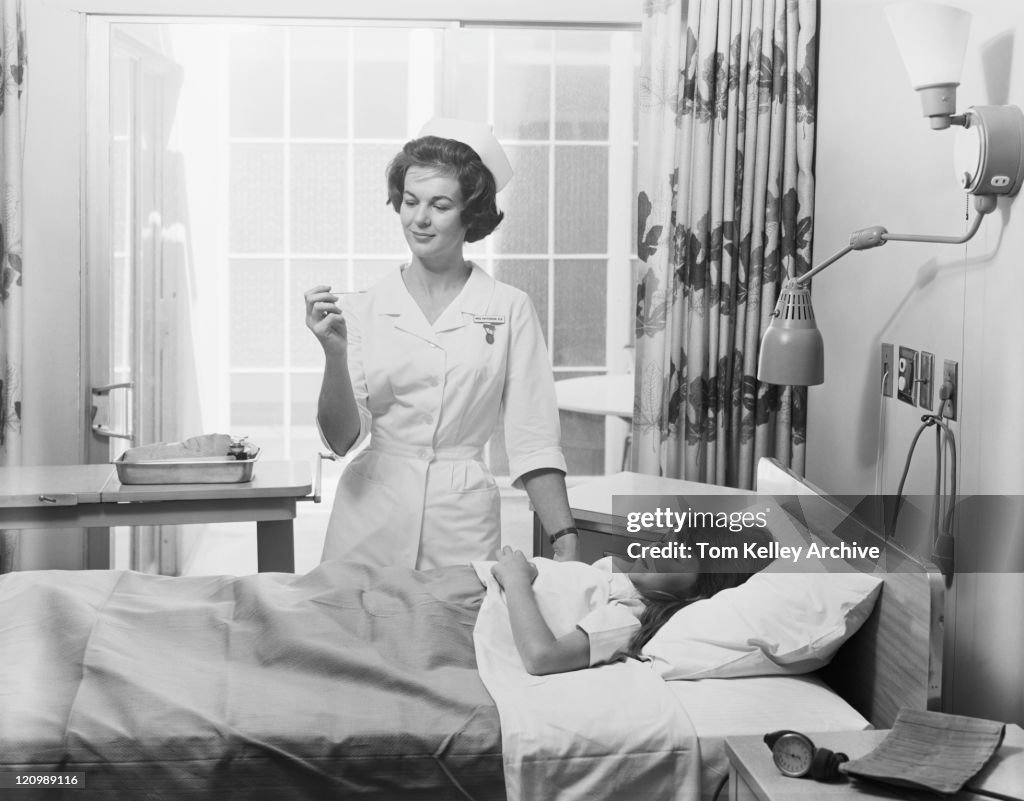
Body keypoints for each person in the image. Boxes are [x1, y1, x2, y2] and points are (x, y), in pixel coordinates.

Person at [304, 117, 581, 569]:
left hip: (461, 522)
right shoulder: (363, 310)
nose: (420, 218)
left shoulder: (509, 307)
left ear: (470, 214)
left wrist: (565, 536)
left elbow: (534, 437)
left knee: (453, 635)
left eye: (440, 204)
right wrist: (333, 355)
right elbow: (340, 440)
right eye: (410, 201)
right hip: (368, 517)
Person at [489, 524, 775, 675]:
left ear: (698, 594)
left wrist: (516, 580)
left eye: (673, 556)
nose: (654, 551)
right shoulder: (626, 579)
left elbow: (543, 658)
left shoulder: (630, 616)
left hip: (482, 604)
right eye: (664, 542)